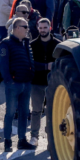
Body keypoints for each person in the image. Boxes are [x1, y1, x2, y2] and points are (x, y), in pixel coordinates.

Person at [0, 17, 39, 151]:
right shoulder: (6, 43)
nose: (28, 29)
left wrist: (31, 76)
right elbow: (3, 65)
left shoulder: (26, 42)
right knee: (10, 113)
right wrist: (9, 80)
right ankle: (7, 141)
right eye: (25, 27)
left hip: (26, 83)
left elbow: (30, 59)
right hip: (14, 84)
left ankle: (22, 140)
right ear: (17, 28)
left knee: (24, 112)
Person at [29, 18, 58, 147]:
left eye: (45, 27)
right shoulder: (32, 45)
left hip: (53, 83)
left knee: (51, 111)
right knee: (36, 110)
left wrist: (53, 66)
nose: (42, 30)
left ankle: (51, 138)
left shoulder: (58, 44)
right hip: (37, 82)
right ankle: (34, 136)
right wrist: (46, 66)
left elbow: (61, 61)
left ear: (50, 28)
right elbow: (31, 63)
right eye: (40, 28)